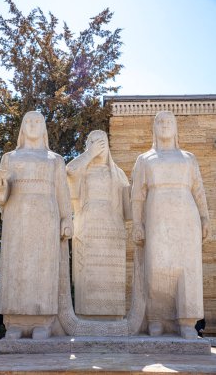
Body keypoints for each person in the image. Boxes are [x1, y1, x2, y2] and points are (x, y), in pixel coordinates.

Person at [0, 111, 73, 339]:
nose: (33, 125)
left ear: (43, 128)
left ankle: (42, 321)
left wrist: (67, 219)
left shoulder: (55, 159)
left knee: (43, 266)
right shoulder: (10, 158)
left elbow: (62, 193)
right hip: (17, 218)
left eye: (38, 121)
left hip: (46, 217)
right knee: (17, 266)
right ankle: (15, 322)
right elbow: (2, 199)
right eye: (29, 121)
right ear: (23, 127)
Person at [131, 111, 209, 339]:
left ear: (176, 128)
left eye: (169, 122)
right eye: (160, 122)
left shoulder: (188, 158)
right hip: (157, 214)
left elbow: (199, 190)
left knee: (188, 269)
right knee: (157, 267)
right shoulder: (145, 159)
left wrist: (205, 217)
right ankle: (157, 318)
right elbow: (137, 195)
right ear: (154, 128)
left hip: (187, 216)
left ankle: (186, 321)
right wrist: (137, 223)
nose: (165, 125)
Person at [67, 130, 130, 319]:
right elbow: (69, 171)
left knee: (111, 276)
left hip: (112, 229)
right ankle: (86, 316)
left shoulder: (118, 173)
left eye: (102, 141)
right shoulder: (82, 170)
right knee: (87, 272)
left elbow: (128, 207)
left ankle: (113, 316)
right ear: (88, 145)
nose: (99, 144)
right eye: (93, 141)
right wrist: (89, 154)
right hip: (88, 226)